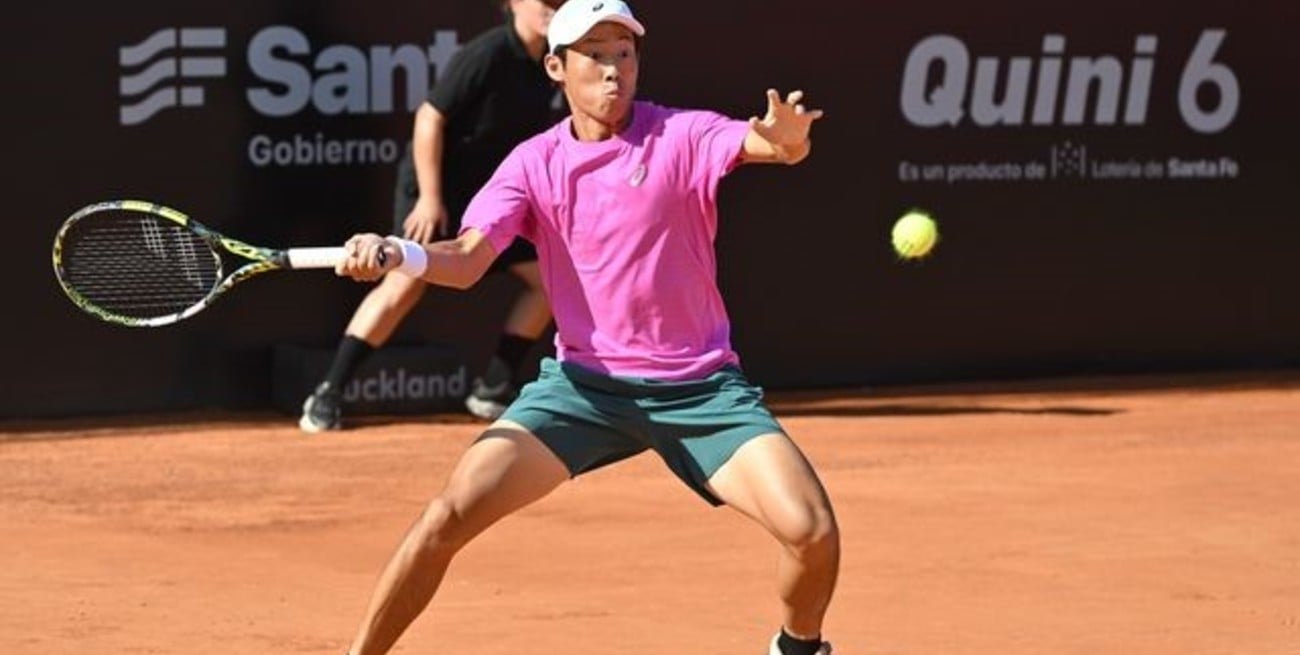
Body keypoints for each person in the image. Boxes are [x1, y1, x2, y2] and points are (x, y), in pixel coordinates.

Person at [332, 1, 840, 654]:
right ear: (556, 67)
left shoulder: (680, 135)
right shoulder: (531, 164)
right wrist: (402, 252)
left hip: (702, 392)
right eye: (594, 55)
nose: (612, 70)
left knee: (813, 530)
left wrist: (788, 137)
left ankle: (798, 647)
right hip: (582, 391)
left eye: (623, 54)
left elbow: (768, 144)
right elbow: (466, 261)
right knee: (446, 515)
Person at [300, 0, 568, 432]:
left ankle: (493, 388)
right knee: (404, 283)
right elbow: (430, 117)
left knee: (549, 281)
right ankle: (328, 393)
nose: (555, 10)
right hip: (438, 188)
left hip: (490, 202)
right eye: (546, 2)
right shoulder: (487, 54)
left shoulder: (552, 62)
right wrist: (429, 198)